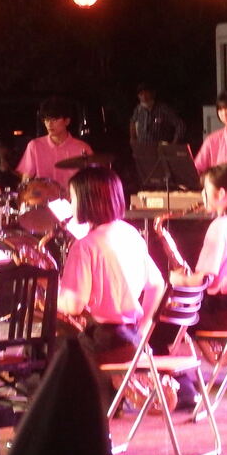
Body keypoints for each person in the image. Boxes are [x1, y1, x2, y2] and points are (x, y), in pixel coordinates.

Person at [152, 162, 227, 408]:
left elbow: (204, 279)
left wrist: (175, 279)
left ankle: (179, 390)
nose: (201, 196)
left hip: (221, 314)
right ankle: (180, 384)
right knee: (169, 319)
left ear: (222, 194)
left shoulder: (221, 226)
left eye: (205, 190)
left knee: (157, 323)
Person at [57, 168, 165, 402]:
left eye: (73, 197)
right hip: (131, 337)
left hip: (103, 341)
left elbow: (73, 306)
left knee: (43, 350)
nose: (70, 202)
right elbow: (157, 284)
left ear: (87, 201)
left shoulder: (85, 246)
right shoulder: (130, 233)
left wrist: (51, 294)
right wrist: (144, 326)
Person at [17, 96, 93, 192]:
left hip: (73, 201)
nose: (49, 124)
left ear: (67, 121)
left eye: (54, 120)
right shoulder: (34, 145)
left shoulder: (82, 147)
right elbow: (26, 178)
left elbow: (91, 180)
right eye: (46, 120)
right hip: (44, 201)